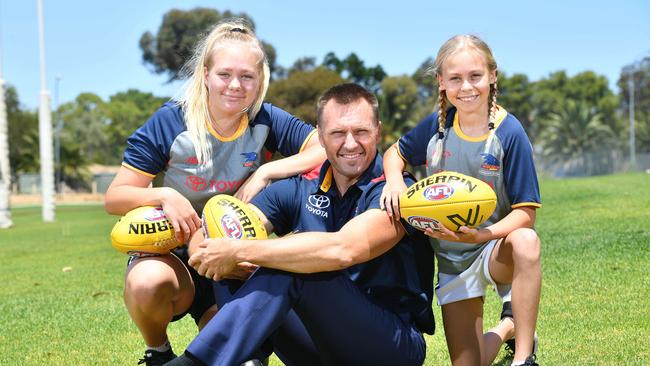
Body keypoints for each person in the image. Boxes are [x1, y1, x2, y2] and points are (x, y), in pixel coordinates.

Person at [104, 19, 325, 366]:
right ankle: (158, 352)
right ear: (205, 74)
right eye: (224, 74)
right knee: (146, 282)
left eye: (247, 76)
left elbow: (324, 146)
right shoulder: (171, 122)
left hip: (231, 258)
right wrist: (165, 196)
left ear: (260, 80)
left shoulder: (264, 119)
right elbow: (115, 196)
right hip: (174, 257)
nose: (235, 86)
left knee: (238, 360)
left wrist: (268, 169)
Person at [165, 83, 435, 366]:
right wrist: (213, 248)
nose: (351, 143)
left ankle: (197, 363)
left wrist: (240, 250)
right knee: (236, 258)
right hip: (321, 345)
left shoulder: (396, 191)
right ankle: (248, 362)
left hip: (390, 347)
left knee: (294, 265)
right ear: (320, 136)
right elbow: (227, 227)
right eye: (338, 133)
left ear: (377, 131)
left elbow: (344, 250)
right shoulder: (302, 186)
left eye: (362, 132)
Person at [381, 34, 542, 366]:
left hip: (493, 250)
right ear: (441, 82)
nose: (466, 87)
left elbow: (526, 213)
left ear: (492, 76)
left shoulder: (509, 133)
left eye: (475, 76)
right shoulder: (436, 127)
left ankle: (524, 356)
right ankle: (508, 325)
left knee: (527, 241)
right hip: (453, 263)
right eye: (455, 78)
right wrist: (395, 179)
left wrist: (481, 235)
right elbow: (394, 153)